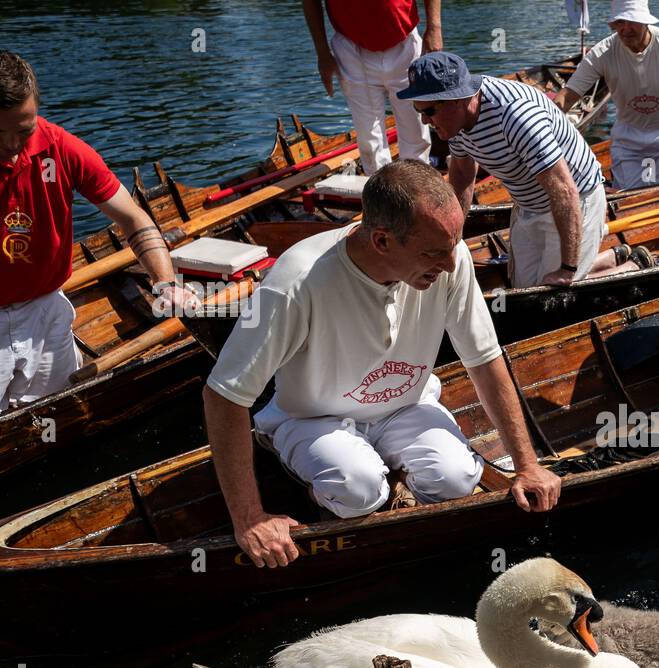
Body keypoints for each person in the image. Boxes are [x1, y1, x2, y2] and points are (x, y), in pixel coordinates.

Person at [203, 161, 561, 569]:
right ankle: (336, 491)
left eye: (453, 245)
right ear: (382, 241)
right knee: (356, 489)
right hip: (312, 416)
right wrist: (249, 519)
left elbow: (484, 359)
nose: (450, 264)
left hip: (406, 405)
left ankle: (395, 493)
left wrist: (528, 465)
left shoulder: (451, 255)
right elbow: (223, 395)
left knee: (459, 478)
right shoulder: (296, 283)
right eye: (432, 253)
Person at [0, 50, 194, 409]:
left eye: (23, 131)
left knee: (60, 419)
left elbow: (134, 219)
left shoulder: (62, 148)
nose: (12, 147)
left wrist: (166, 284)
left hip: (45, 314)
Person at [400, 52, 608, 289]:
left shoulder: (516, 116)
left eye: (428, 112)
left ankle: (619, 265)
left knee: (550, 292)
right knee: (522, 287)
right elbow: (462, 175)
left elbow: (564, 189)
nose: (425, 121)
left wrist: (568, 267)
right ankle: (604, 259)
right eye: (419, 112)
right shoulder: (454, 122)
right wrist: (452, 238)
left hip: (576, 200)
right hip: (528, 204)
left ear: (456, 99)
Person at [556, 0, 659, 191]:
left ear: (645, 21)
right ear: (613, 24)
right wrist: (544, 123)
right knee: (627, 193)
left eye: (632, 21)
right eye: (620, 22)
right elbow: (568, 96)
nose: (626, 29)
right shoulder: (602, 53)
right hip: (629, 134)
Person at [302, 0, 438, 173]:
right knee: (369, 138)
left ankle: (417, 186)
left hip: (405, 42)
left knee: (416, 127)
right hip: (351, 48)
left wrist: (434, 27)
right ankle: (381, 193)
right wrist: (322, 52)